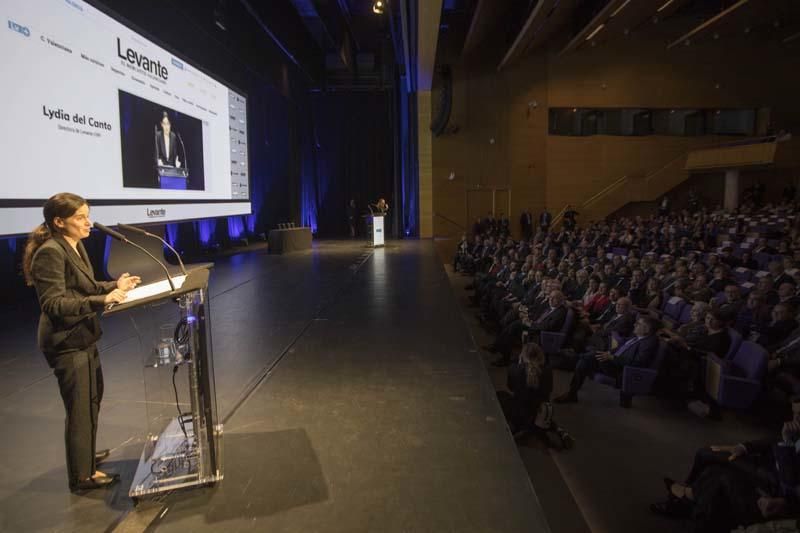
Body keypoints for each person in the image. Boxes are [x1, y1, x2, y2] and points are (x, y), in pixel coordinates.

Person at [22, 193, 141, 492]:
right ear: (59, 222)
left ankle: (84, 456)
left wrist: (115, 285)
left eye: (88, 215)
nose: (88, 222)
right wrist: (102, 299)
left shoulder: (74, 247)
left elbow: (83, 287)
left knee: (91, 399)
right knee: (79, 407)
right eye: (80, 217)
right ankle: (82, 476)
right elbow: (54, 304)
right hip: (65, 342)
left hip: (83, 336)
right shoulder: (50, 252)